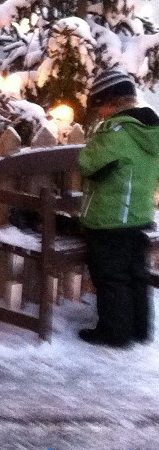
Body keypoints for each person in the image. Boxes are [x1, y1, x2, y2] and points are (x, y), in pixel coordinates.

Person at [77, 67, 159, 347]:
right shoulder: (149, 131)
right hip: (137, 215)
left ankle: (114, 333)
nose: (99, 114)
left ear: (110, 103)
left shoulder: (115, 132)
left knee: (111, 277)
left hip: (109, 217)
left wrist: (90, 147)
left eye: (99, 107)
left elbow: (89, 165)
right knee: (136, 274)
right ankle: (139, 328)